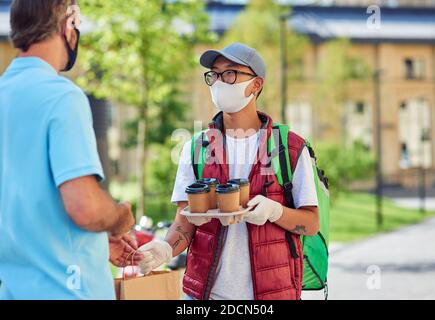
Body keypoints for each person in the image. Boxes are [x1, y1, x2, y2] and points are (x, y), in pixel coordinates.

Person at [139, 43, 319, 300]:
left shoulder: (288, 147)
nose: (220, 82)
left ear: (256, 85)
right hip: (204, 295)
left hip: (271, 295)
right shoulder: (196, 148)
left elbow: (310, 224)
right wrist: (165, 248)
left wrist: (275, 212)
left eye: (230, 73)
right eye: (214, 74)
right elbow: (184, 222)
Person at [0, 0, 141, 300]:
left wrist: (97, 244)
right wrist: (120, 217)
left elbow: (25, 208)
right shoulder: (62, 97)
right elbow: (84, 207)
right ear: (68, 26)